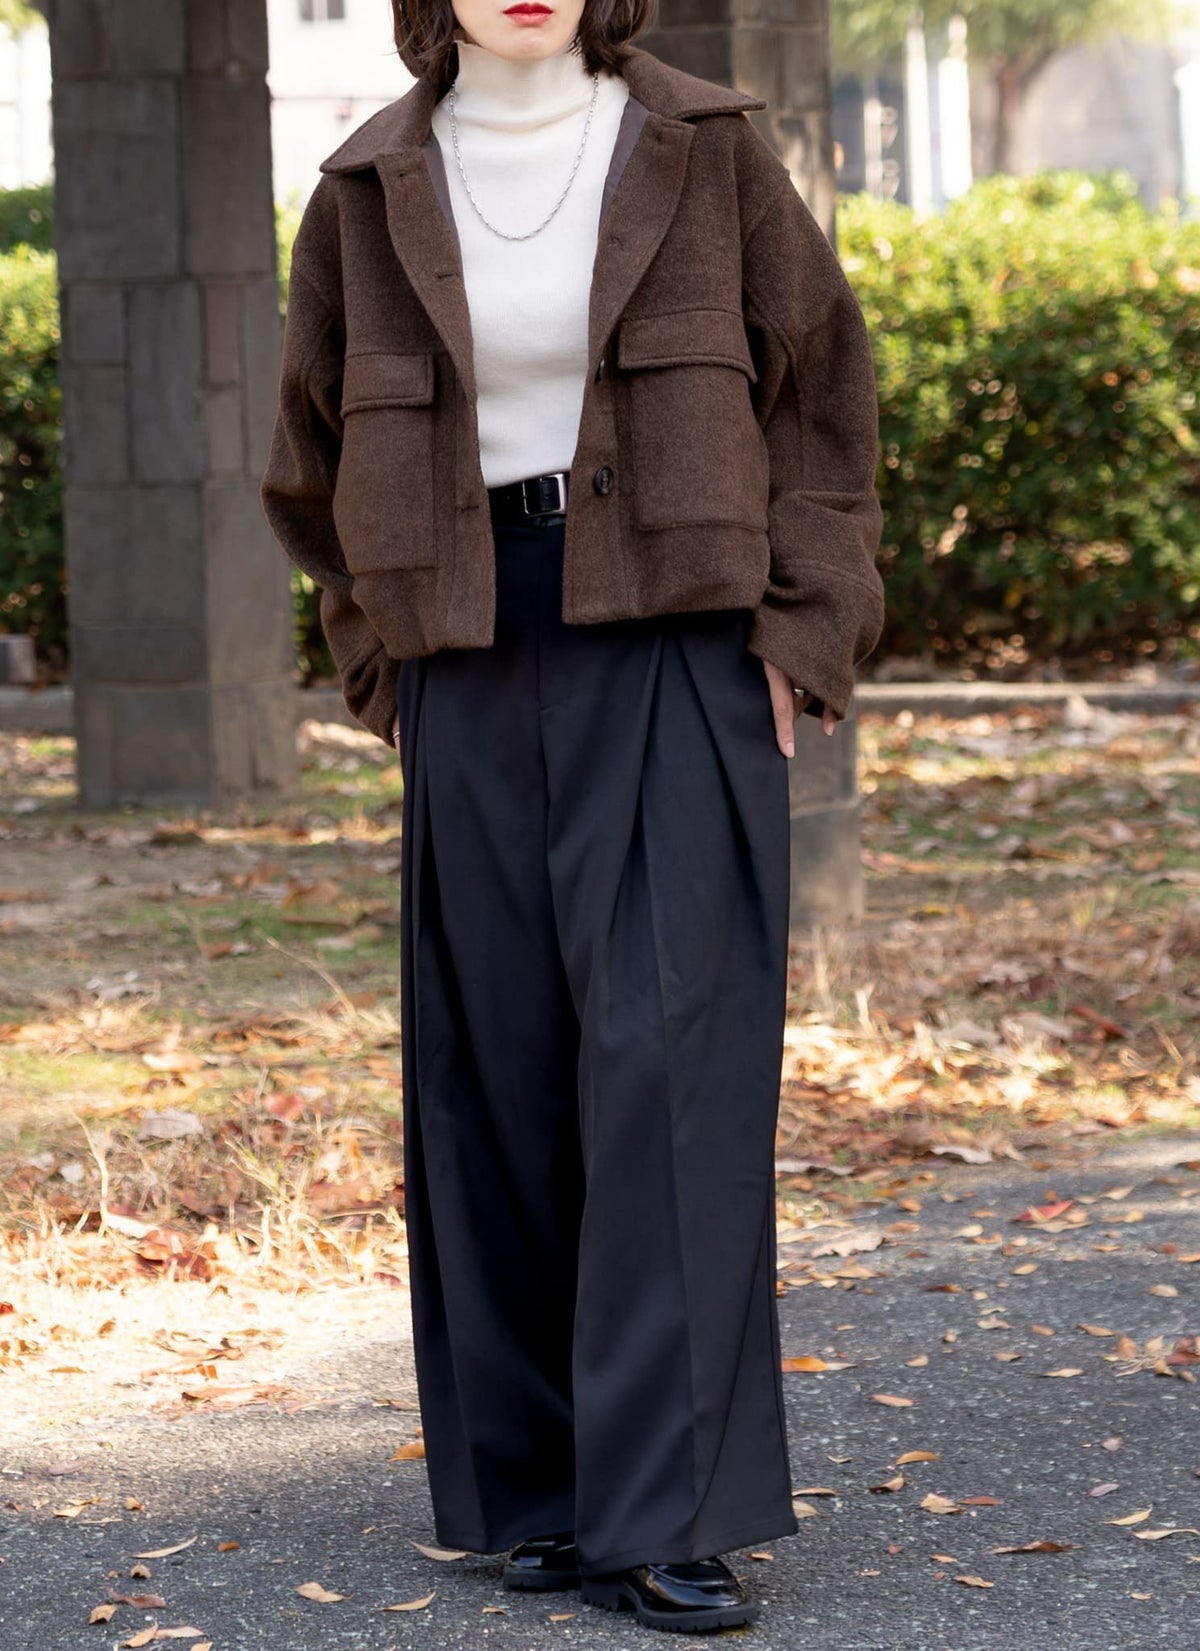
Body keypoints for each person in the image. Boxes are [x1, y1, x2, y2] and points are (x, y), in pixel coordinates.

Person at [260, 0, 884, 1632]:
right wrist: (381, 660)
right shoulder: (366, 189)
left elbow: (824, 394)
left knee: (669, 1062)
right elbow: (309, 456)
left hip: (675, 637)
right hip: (467, 649)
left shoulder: (703, 146)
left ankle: (664, 1509)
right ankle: (540, 1493)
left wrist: (803, 630)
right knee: (499, 1067)